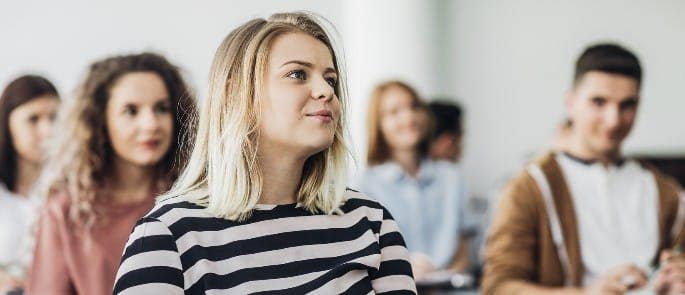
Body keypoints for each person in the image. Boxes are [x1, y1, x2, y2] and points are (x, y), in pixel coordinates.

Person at [112, 12, 416, 294]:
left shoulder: (371, 223)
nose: (326, 91)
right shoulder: (166, 237)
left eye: (330, 79)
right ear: (236, 93)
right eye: (298, 74)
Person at [483, 43, 685, 294]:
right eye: (599, 102)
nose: (613, 120)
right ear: (571, 103)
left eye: (627, 105)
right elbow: (497, 287)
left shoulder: (665, 192)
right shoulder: (529, 189)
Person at [27, 53, 197, 295]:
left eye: (162, 108)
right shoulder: (65, 210)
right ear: (100, 121)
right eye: (131, 111)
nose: (151, 124)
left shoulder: (194, 199)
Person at [357, 81, 472, 280]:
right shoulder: (363, 184)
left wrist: (443, 278)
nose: (409, 117)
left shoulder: (452, 177)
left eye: (414, 107)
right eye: (394, 112)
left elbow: (463, 253)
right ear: (378, 124)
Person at [0, 75, 60, 294]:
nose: (48, 131)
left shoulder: (73, 189)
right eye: (33, 119)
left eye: (54, 118)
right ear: (7, 123)